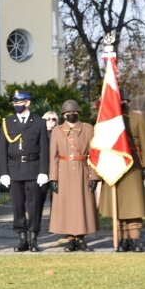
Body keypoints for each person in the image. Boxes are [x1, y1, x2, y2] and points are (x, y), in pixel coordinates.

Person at [98, 88, 145, 252]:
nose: (121, 104)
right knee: (118, 205)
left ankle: (135, 239)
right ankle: (122, 239)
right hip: (112, 166)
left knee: (133, 204)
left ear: (127, 102)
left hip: (132, 165)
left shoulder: (137, 117)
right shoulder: (106, 120)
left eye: (123, 101)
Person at [0, 90, 49, 252]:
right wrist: (3, 173)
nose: (16, 105)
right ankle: (22, 238)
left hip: (33, 169)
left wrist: (43, 171)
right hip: (14, 170)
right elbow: (1, 150)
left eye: (20, 102)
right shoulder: (7, 122)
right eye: (14, 102)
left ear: (28, 103)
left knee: (34, 206)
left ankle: (33, 237)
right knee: (18, 206)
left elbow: (44, 149)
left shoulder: (39, 122)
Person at [48, 100, 98, 251]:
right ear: (63, 115)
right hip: (63, 173)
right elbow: (53, 157)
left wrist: (94, 176)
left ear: (78, 113)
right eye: (68, 112)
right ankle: (70, 239)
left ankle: (81, 239)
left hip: (82, 172)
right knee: (67, 206)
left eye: (74, 112)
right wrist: (53, 178)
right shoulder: (57, 131)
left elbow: (94, 154)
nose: (71, 114)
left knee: (82, 206)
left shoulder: (88, 129)